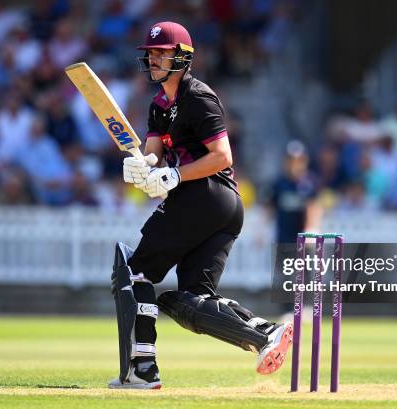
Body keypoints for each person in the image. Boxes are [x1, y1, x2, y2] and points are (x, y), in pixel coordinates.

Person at [109, 22, 292, 390]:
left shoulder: (198, 96)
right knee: (191, 300)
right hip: (222, 207)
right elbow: (152, 154)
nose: (154, 58)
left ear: (182, 58)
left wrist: (174, 176)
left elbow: (222, 156)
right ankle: (265, 334)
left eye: (162, 52)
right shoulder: (160, 105)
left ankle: (142, 368)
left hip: (205, 195)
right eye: (151, 52)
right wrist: (139, 166)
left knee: (135, 272)